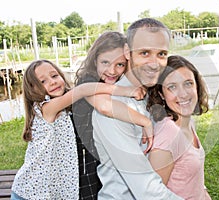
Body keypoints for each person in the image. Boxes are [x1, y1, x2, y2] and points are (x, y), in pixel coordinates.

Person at [10, 59, 145, 200]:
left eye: (54, 76)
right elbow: (82, 90)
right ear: (33, 90)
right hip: (29, 192)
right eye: (42, 82)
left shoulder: (65, 110)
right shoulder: (46, 109)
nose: (52, 82)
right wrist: (126, 91)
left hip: (47, 192)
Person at [92, 18, 183, 199]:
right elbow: (146, 189)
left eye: (162, 54)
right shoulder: (113, 110)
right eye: (144, 53)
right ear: (127, 52)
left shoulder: (153, 94)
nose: (154, 63)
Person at [72, 31, 153, 199]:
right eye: (105, 62)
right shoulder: (87, 80)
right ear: (95, 60)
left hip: (102, 156)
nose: (112, 70)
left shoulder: (115, 81)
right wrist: (145, 122)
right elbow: (104, 106)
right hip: (84, 159)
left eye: (120, 65)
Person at [147, 55, 211, 200]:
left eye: (188, 83)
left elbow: (196, 184)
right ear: (161, 94)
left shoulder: (187, 122)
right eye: (172, 87)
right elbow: (153, 195)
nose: (183, 94)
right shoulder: (168, 135)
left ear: (197, 85)